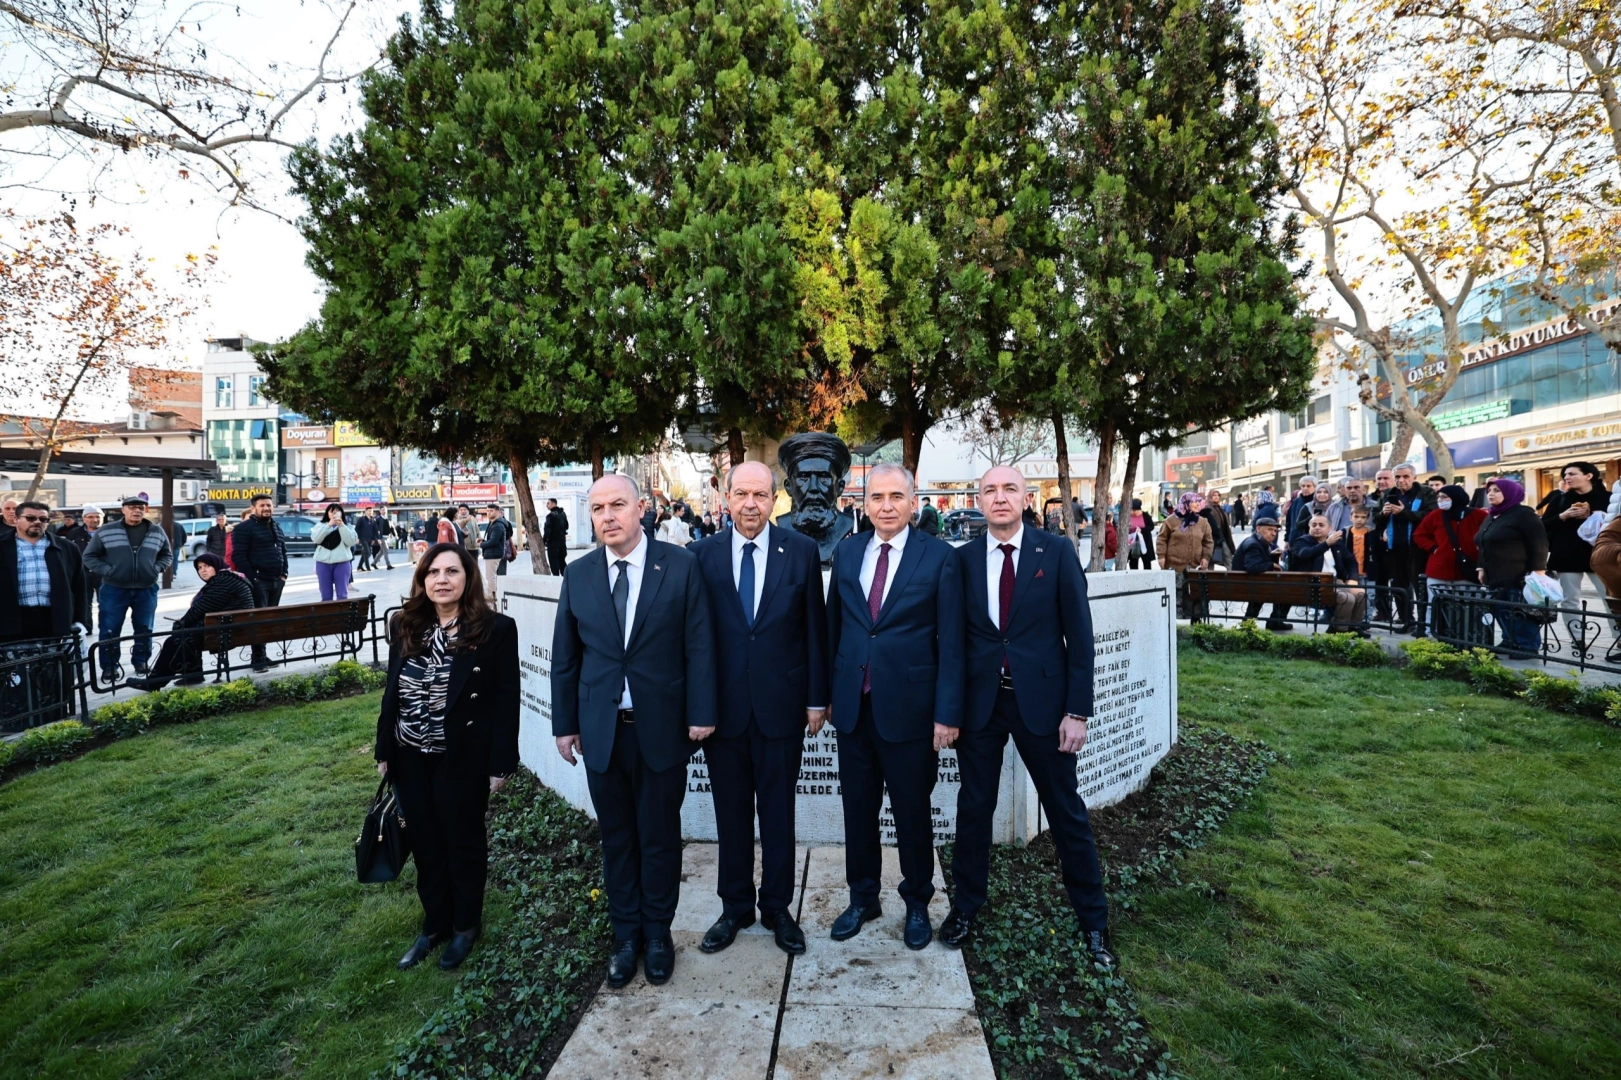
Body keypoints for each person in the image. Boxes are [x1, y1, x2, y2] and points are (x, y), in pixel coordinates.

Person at [550, 475, 717, 988]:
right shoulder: (578, 576)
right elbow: (566, 658)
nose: (607, 516)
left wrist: (701, 711)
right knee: (618, 839)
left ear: (641, 509)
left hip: (663, 732)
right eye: (598, 507)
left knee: (660, 837)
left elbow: (700, 646)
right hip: (603, 733)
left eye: (617, 505)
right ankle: (626, 936)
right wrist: (565, 726)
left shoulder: (681, 566)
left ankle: (659, 933)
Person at [944, 466, 1114, 967]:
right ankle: (966, 907)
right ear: (979, 499)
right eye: (990, 490)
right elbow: (954, 644)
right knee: (974, 809)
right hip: (982, 707)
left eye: (1009, 489)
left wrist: (1077, 711)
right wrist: (950, 712)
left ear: (1025, 498)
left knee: (1065, 811)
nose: (1000, 498)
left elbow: (1079, 640)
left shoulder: (1056, 552)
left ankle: (1094, 922)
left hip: (1043, 706)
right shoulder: (963, 560)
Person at [691, 462, 828, 957]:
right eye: (741, 494)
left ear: (776, 500)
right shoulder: (700, 555)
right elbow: (694, 640)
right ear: (726, 499)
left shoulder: (802, 553)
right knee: (730, 815)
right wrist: (697, 707)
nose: (751, 503)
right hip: (722, 714)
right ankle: (734, 908)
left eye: (761, 494)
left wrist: (817, 698)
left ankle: (776, 908)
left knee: (777, 814)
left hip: (782, 709)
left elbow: (815, 628)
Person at [825, 462, 964, 950]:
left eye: (895, 497)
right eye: (877, 497)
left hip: (911, 709)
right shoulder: (847, 553)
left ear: (912, 502)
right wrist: (822, 700)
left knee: (911, 810)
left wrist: (948, 713)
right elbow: (834, 629)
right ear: (864, 504)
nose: (886, 506)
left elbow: (952, 642)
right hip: (852, 708)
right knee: (857, 809)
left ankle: (918, 902)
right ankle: (863, 898)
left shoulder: (939, 558)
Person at [375, 543, 520, 972]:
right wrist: (385, 747)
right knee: (425, 844)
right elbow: (392, 692)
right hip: (410, 755)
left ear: (467, 578)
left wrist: (501, 762)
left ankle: (464, 926)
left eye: (452, 571)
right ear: (422, 580)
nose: (441, 579)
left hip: (462, 757)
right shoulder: (406, 624)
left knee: (463, 842)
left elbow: (506, 699)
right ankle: (434, 924)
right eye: (432, 572)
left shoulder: (495, 629)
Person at [125, 553, 255, 691]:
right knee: (186, 633)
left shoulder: (223, 582)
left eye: (207, 566)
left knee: (175, 640)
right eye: (199, 567)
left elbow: (200, 609)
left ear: (216, 565)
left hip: (226, 632)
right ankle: (193, 673)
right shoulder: (229, 578)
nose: (202, 570)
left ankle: (154, 683)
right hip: (232, 628)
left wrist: (182, 622)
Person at [82, 495, 171, 677]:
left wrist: (156, 568)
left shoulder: (156, 531)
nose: (136, 510)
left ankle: (141, 661)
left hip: (146, 588)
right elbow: (89, 557)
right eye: (132, 507)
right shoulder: (106, 531)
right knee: (109, 628)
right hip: (114, 588)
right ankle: (109, 667)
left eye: (140, 507)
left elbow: (166, 555)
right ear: (123, 510)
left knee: (145, 628)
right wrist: (109, 570)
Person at [1473, 479, 1549, 658]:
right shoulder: (1492, 515)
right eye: (1489, 490)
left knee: (1520, 609)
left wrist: (1538, 570)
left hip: (1517, 573)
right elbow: (1483, 543)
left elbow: (1539, 542)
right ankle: (1509, 640)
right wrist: (1481, 568)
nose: (1491, 494)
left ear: (1510, 493)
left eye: (1497, 490)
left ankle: (1527, 646)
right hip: (1494, 573)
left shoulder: (1523, 514)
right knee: (1502, 609)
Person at [0, 500, 88, 644]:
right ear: (16, 519)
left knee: (53, 664)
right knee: (16, 665)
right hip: (11, 622)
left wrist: (80, 622)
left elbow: (79, 588)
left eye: (43, 519)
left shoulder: (67, 548)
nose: (37, 522)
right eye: (30, 518)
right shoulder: (3, 545)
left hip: (54, 621)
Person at [1542, 461, 1609, 634]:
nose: (1567, 478)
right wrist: (1563, 516)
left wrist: (1598, 517)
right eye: (1565, 475)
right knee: (1569, 600)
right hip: (1567, 556)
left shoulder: (1607, 498)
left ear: (1588, 476)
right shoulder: (1560, 498)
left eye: (1572, 474)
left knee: (1611, 599)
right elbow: (1543, 525)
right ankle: (1578, 639)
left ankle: (1619, 639)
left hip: (1600, 556)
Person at [1413, 484, 1486, 634]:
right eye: (1439, 497)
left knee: (1468, 606)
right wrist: (1433, 548)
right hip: (1439, 570)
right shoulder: (1435, 515)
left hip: (1467, 571)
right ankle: (1433, 635)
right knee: (1435, 605)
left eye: (1444, 497)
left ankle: (1465, 636)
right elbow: (1419, 535)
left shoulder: (1478, 515)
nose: (1440, 500)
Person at [231, 494, 290, 671]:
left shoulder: (276, 526)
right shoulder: (244, 528)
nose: (267, 508)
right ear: (253, 508)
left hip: (276, 581)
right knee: (257, 619)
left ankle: (262, 655)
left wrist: (284, 574)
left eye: (269, 505)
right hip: (258, 582)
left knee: (268, 620)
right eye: (262, 505)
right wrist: (253, 579)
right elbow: (238, 556)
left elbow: (282, 550)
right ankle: (257, 659)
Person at [1374, 466, 1436, 634]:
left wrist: (1404, 513)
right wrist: (1383, 514)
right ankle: (1407, 620)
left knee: (1419, 587)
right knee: (1399, 586)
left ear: (1414, 476)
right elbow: (1376, 520)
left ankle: (1424, 624)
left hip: (1416, 549)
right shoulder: (1388, 494)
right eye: (1398, 476)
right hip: (1394, 548)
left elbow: (1430, 516)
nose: (1401, 480)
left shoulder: (1425, 492)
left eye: (1405, 476)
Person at [1288, 514, 1367, 631]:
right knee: (1347, 598)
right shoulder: (1302, 541)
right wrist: (1326, 544)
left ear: (1330, 528)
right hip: (1314, 584)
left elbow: (1351, 561)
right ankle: (1339, 629)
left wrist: (1352, 578)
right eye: (1314, 525)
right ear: (1309, 527)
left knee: (1361, 594)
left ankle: (1354, 627)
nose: (1317, 528)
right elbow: (1305, 554)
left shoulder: (1336, 543)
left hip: (1335, 581)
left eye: (1321, 525)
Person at [1157, 492, 1213, 620]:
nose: (1198, 504)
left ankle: (1195, 619)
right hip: (1175, 564)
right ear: (1186, 503)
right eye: (1195, 501)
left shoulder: (1202, 522)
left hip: (1195, 565)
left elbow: (1208, 541)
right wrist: (1161, 555)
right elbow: (1162, 539)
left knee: (1195, 593)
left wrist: (1206, 557)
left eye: (1199, 501)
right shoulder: (1171, 520)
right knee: (1177, 592)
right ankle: (1176, 620)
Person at [1234, 510, 1291, 631]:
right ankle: (1275, 621)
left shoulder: (1258, 542)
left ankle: (1250, 622)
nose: (1273, 533)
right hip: (1245, 586)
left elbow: (1256, 562)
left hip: (1249, 584)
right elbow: (1252, 567)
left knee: (1274, 589)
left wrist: (1271, 556)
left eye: (1275, 531)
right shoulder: (1253, 544)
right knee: (1288, 590)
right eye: (1270, 529)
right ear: (1258, 528)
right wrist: (1272, 565)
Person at [58, 505, 103, 632]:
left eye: (97, 516)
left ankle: (105, 628)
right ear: (84, 519)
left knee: (105, 603)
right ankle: (87, 627)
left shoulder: (108, 531)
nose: (94, 519)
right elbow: (67, 552)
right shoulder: (74, 533)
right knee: (84, 602)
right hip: (82, 573)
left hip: (104, 573)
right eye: (90, 517)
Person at [311, 502, 359, 601]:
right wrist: (328, 525)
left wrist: (341, 526)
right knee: (326, 595)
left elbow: (350, 542)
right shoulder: (320, 526)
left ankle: (342, 615)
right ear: (327, 513)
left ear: (342, 513)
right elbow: (316, 539)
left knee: (342, 595)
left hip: (342, 563)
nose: (334, 514)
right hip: (323, 563)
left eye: (337, 511)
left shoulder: (348, 526)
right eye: (332, 512)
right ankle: (328, 615)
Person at [479, 503, 512, 602]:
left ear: (498, 512)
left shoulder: (497, 524)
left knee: (490, 577)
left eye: (491, 511)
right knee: (492, 576)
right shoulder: (495, 523)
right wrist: (483, 541)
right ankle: (493, 594)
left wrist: (481, 545)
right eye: (487, 511)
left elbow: (494, 541)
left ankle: (492, 596)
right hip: (493, 552)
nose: (489, 513)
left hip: (493, 554)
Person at [1201, 488, 1236, 567]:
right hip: (1213, 538)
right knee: (1211, 559)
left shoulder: (1220, 509)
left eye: (1218, 495)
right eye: (1214, 495)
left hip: (1222, 537)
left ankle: (1231, 576)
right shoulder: (1208, 509)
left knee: (1228, 557)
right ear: (1210, 497)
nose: (1216, 497)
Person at [1283, 476, 1318, 549]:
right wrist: (1287, 539)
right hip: (1294, 540)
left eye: (1308, 486)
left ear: (1315, 487)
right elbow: (1288, 522)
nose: (1305, 488)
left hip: (1311, 542)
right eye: (1303, 486)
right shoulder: (1295, 502)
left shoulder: (1317, 502)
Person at [1125, 499, 1156, 569]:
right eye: (1132, 510)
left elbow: (1151, 526)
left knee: (1146, 561)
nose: (1134, 512)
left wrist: (1142, 530)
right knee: (1133, 561)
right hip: (1132, 542)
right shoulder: (1128, 516)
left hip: (1145, 541)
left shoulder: (1145, 515)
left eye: (1136, 510)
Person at [543, 498, 570, 574]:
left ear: (553, 504)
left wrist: (544, 541)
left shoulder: (551, 516)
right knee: (562, 562)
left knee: (554, 564)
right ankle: (566, 579)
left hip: (553, 543)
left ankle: (556, 582)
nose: (546, 505)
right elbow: (567, 526)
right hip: (562, 542)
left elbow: (547, 530)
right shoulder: (562, 514)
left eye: (548, 503)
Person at [354, 508, 377, 572]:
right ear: (365, 511)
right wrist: (357, 538)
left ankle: (359, 567)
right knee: (368, 552)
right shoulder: (362, 519)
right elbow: (357, 529)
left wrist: (373, 539)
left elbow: (374, 530)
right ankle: (368, 567)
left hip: (369, 539)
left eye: (371, 511)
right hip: (362, 538)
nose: (370, 512)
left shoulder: (373, 520)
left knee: (365, 553)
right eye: (369, 511)